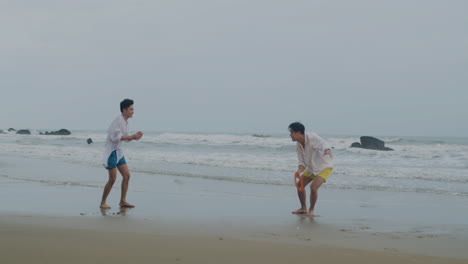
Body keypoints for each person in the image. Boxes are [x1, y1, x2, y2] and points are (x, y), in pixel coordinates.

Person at [100, 99, 143, 209]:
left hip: (119, 152)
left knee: (127, 176)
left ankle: (122, 201)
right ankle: (103, 202)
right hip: (111, 152)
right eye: (131, 109)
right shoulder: (118, 120)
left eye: (133, 109)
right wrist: (131, 136)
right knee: (113, 179)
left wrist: (135, 137)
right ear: (124, 110)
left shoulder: (126, 122)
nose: (133, 111)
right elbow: (115, 137)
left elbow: (126, 138)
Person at [288, 122, 333, 216]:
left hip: (324, 166)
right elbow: (301, 161)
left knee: (313, 187)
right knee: (300, 185)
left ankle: (311, 210)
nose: (290, 135)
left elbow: (324, 143)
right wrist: (299, 170)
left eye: (291, 132)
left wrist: (327, 149)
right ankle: (303, 208)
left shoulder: (312, 137)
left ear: (298, 133)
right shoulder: (298, 145)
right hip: (311, 167)